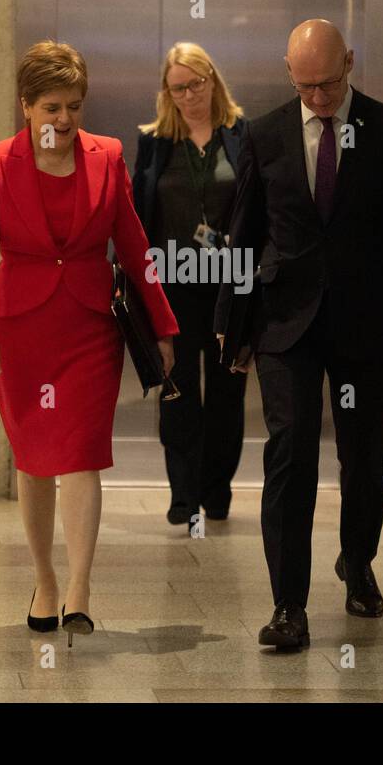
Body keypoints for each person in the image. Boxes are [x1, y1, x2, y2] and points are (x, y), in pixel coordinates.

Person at [215, 19, 383, 650]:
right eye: (306, 86)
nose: (319, 98)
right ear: (289, 73)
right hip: (286, 325)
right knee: (290, 451)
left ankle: (357, 560)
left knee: (365, 453)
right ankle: (289, 605)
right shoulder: (263, 135)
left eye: (330, 83)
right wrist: (232, 331)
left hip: (370, 322)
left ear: (350, 61)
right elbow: (245, 237)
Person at [0, 40, 179, 645]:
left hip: (89, 327)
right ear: (25, 105)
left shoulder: (107, 157)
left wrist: (163, 326)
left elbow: (135, 249)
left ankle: (79, 588)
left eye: (74, 107)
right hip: (19, 332)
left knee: (80, 454)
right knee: (34, 464)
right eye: (51, 106)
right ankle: (45, 580)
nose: (64, 120)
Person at [131, 43, 250, 528]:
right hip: (173, 283)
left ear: (212, 81)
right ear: (167, 92)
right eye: (177, 88)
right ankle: (183, 495)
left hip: (228, 284)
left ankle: (216, 491)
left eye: (196, 84)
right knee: (178, 389)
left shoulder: (242, 136)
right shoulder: (155, 141)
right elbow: (141, 212)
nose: (188, 95)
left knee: (227, 392)